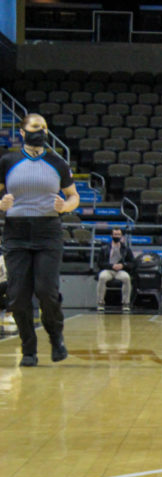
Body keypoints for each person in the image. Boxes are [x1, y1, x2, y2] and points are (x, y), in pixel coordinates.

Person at [0, 113, 79, 366]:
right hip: (16, 233)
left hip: (48, 232)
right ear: (22, 132)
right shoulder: (8, 161)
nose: (40, 132)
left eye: (44, 128)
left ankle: (56, 337)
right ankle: (28, 349)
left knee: (47, 292)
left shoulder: (58, 163)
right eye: (35, 127)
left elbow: (74, 196)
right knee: (18, 297)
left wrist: (65, 207)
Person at [97, 227, 135, 312]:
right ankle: (100, 303)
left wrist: (123, 265)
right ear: (111, 235)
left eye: (118, 234)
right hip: (108, 270)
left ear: (121, 236)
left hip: (121, 270)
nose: (116, 236)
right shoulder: (104, 248)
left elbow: (132, 263)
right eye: (115, 234)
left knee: (126, 278)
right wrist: (111, 266)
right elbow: (99, 263)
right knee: (102, 277)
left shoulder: (126, 249)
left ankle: (126, 303)